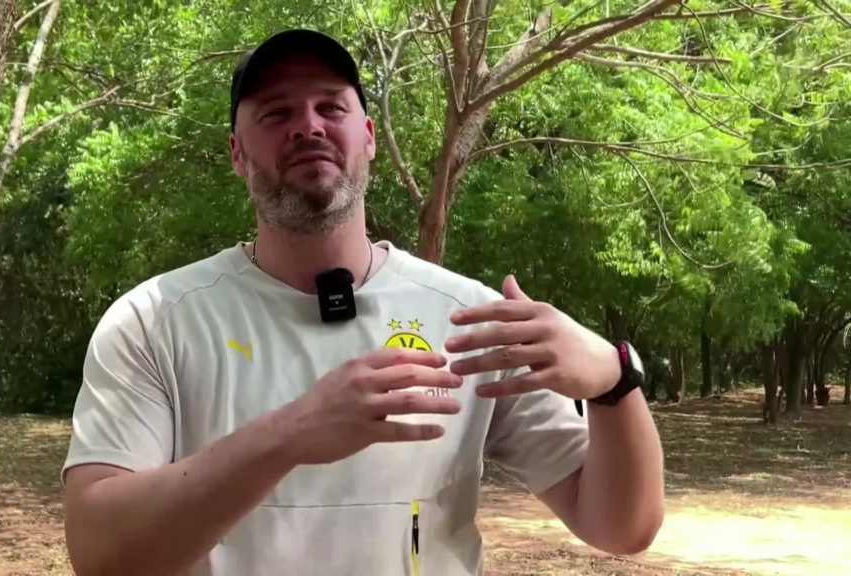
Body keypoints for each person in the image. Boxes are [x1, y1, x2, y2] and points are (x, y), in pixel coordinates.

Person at [61, 29, 665, 576]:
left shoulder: (469, 321)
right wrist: (291, 433)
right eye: (276, 112)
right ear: (237, 155)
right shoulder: (154, 321)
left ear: (370, 138)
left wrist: (614, 382)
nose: (308, 126)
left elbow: (622, 527)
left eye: (331, 107)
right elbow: (98, 552)